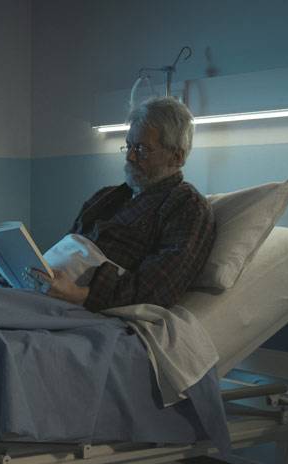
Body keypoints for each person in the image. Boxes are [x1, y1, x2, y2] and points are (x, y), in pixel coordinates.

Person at [32, 96, 216, 312]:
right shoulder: (106, 197)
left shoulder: (187, 207)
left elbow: (161, 286)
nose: (130, 157)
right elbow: (67, 248)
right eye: (129, 146)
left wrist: (78, 294)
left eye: (141, 149)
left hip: (83, 305)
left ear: (177, 157)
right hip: (45, 291)